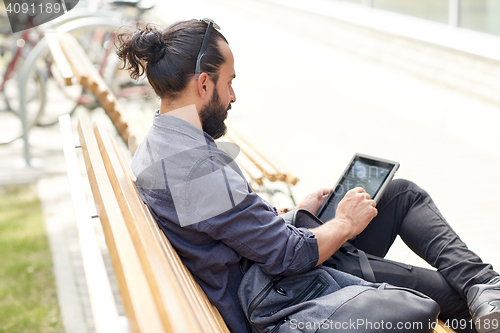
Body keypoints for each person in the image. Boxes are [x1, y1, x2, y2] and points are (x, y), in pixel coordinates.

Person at [116, 19, 500, 333]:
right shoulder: (192, 168)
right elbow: (289, 255)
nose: (233, 96)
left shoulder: (164, 142)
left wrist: (298, 212)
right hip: (289, 290)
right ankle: (482, 289)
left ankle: (486, 285)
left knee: (399, 195)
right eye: (230, 82)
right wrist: (345, 223)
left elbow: (235, 227)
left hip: (273, 270)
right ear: (203, 84)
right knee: (454, 301)